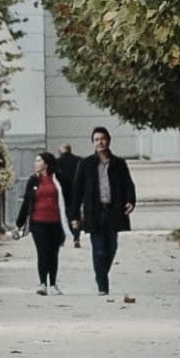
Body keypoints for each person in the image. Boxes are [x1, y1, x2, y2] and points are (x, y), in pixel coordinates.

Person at [71, 126, 136, 298]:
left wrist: (130, 200)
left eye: (103, 139)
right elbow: (77, 192)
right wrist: (74, 216)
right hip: (95, 212)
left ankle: (101, 273)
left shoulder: (119, 163)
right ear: (93, 143)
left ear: (108, 141)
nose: (100, 142)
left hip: (113, 211)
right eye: (97, 139)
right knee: (99, 249)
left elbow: (128, 185)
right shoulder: (85, 164)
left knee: (111, 247)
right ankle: (102, 284)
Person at [15, 151, 75, 295]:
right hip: (38, 222)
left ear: (46, 164)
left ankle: (53, 284)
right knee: (42, 252)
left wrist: (74, 218)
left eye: (38, 160)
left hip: (56, 222)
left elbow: (70, 200)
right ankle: (43, 283)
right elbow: (26, 203)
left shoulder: (60, 180)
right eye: (36, 161)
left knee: (53, 253)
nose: (35, 163)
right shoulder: (33, 180)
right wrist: (19, 223)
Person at [52, 143, 81, 245]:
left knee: (62, 215)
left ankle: (62, 238)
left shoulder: (56, 162)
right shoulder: (78, 160)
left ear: (61, 150)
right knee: (75, 215)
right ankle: (76, 237)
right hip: (76, 192)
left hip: (62, 192)